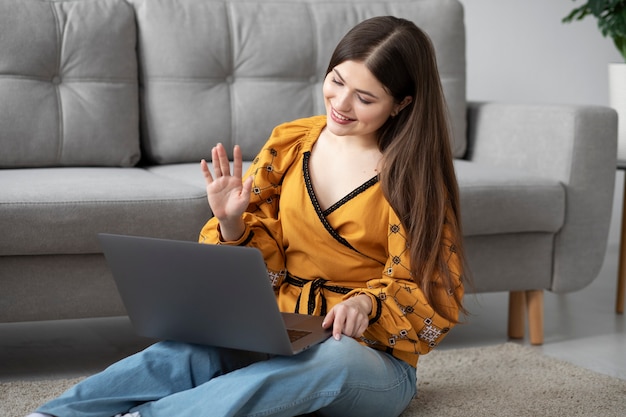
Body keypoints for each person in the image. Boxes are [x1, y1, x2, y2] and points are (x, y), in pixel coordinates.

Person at [28, 15, 466, 417]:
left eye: (365, 97)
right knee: (188, 350)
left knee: (336, 357)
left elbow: (435, 292)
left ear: (401, 103)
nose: (341, 103)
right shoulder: (292, 143)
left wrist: (366, 303)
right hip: (283, 332)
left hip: (368, 361)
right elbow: (260, 267)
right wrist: (231, 223)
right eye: (336, 81)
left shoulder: (415, 180)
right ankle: (55, 414)